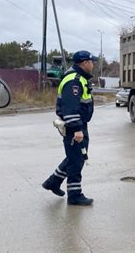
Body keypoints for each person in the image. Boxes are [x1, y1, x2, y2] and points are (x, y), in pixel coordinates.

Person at [42, 50, 98, 206]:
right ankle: (74, 195)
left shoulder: (78, 78)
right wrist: (77, 129)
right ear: (84, 63)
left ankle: (53, 181)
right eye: (91, 62)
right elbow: (70, 108)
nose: (93, 64)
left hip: (78, 124)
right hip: (75, 126)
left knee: (74, 157)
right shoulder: (74, 80)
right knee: (76, 160)